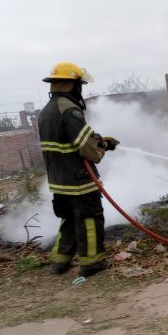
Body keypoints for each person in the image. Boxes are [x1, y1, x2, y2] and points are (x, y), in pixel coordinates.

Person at [38, 61, 119, 277]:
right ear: (71, 85)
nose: (80, 90)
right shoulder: (69, 110)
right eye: (79, 85)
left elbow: (71, 139)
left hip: (59, 181)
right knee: (91, 219)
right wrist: (103, 147)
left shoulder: (46, 111)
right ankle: (93, 263)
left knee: (69, 220)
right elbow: (89, 150)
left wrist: (99, 139)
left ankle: (59, 261)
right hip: (79, 181)